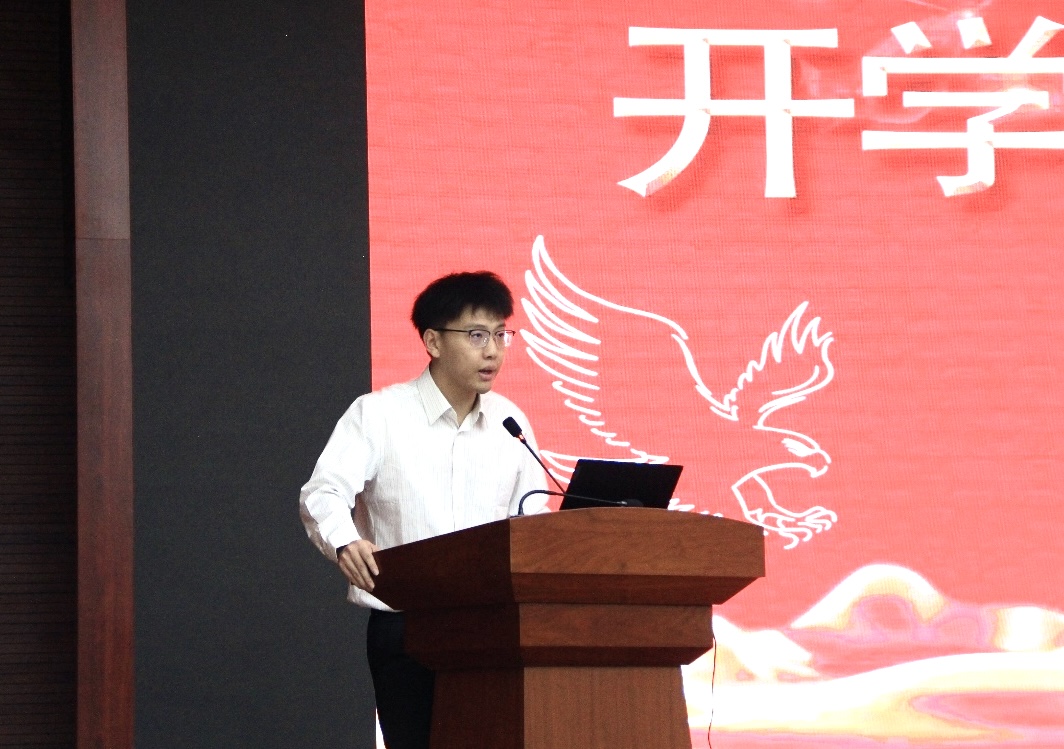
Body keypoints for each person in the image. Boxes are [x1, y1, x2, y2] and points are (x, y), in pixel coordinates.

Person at [299, 271, 547, 749]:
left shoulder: (510, 423)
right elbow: (323, 492)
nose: (493, 351)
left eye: (501, 335)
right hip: (407, 627)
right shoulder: (379, 414)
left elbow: (532, 517)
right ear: (433, 341)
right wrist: (345, 541)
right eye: (477, 335)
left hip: (491, 628)